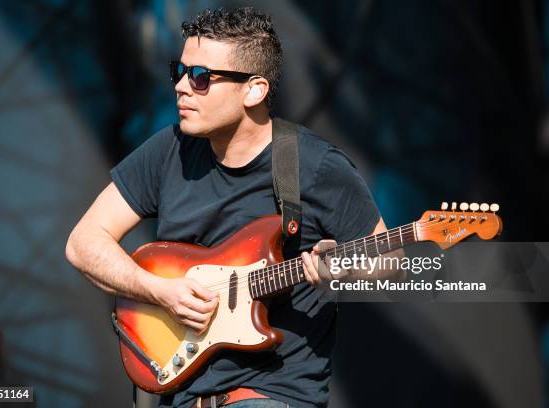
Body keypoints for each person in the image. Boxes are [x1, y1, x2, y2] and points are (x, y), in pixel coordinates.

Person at [65, 7, 400, 408]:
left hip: (271, 395)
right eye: (180, 71)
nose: (182, 87)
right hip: (180, 396)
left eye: (201, 77)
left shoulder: (316, 165)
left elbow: (388, 259)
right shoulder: (167, 150)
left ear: (254, 90)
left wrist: (339, 268)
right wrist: (160, 291)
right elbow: (83, 243)